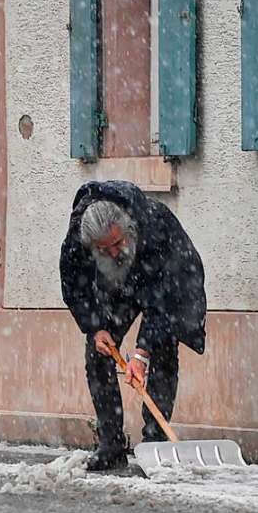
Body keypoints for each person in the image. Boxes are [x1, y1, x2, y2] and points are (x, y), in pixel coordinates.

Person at [59, 180, 207, 471]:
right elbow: (73, 284)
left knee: (163, 348)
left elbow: (163, 299)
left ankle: (155, 440)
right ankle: (110, 443)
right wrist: (94, 326)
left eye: (118, 243)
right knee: (98, 352)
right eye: (104, 249)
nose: (114, 252)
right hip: (118, 288)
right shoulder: (77, 240)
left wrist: (141, 352)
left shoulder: (154, 226)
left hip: (169, 283)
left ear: (128, 228)